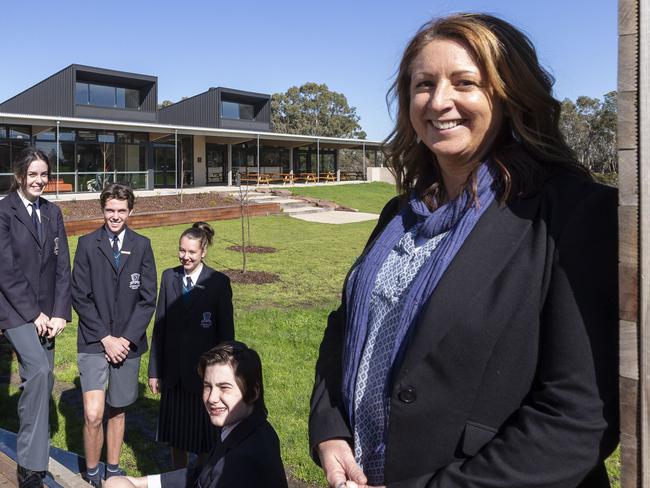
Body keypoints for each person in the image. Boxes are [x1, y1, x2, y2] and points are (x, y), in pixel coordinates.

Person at [309, 13, 618, 488]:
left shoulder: (572, 214)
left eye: (465, 82)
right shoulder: (399, 215)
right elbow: (346, 323)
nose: (439, 101)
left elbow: (578, 419)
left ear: (509, 93)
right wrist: (330, 432)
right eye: (423, 84)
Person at [107, 341, 288, 488]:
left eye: (224, 387)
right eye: (207, 386)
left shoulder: (242, 462)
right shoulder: (250, 428)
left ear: (254, 392)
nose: (212, 398)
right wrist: (140, 482)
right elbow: (204, 474)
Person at [72, 183, 157, 486]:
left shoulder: (142, 245)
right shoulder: (86, 244)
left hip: (127, 343)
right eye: (110, 210)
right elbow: (80, 296)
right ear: (102, 209)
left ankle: (112, 468)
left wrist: (126, 339)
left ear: (130, 211)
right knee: (94, 413)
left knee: (117, 410)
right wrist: (106, 338)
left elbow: (148, 298)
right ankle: (92, 473)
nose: (115, 216)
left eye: (121, 210)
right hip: (95, 340)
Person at [0, 147, 71, 488]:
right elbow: (5, 270)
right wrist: (35, 313)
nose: (39, 180)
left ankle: (34, 457)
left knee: (39, 383)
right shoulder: (4, 211)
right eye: (33, 175)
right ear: (20, 176)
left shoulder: (53, 213)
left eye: (44, 174)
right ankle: (30, 468)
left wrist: (59, 313)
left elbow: (62, 267)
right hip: (15, 310)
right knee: (40, 371)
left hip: (48, 314)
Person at [148, 222, 235, 469]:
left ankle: (204, 480)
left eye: (191, 252)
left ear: (203, 252)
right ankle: (179, 478)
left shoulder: (218, 283)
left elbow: (226, 336)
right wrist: (155, 371)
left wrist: (223, 376)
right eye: (182, 251)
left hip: (203, 379)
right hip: (173, 375)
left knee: (204, 438)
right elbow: (160, 327)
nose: (185, 257)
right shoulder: (169, 278)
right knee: (176, 437)